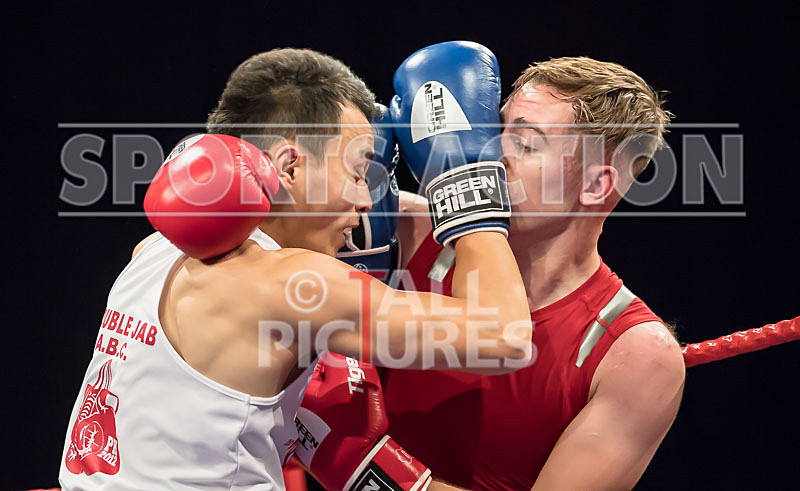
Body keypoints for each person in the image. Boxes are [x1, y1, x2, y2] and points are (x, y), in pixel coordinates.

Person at [58, 48, 533, 490]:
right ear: (288, 166)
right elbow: (508, 337)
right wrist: (465, 186)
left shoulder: (154, 251)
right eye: (356, 172)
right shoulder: (290, 284)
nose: (367, 201)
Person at [331, 42, 685, 490]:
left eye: (525, 142)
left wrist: (360, 468)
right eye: (495, 128)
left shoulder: (633, 356)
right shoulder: (414, 233)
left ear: (597, 185)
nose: (491, 152)